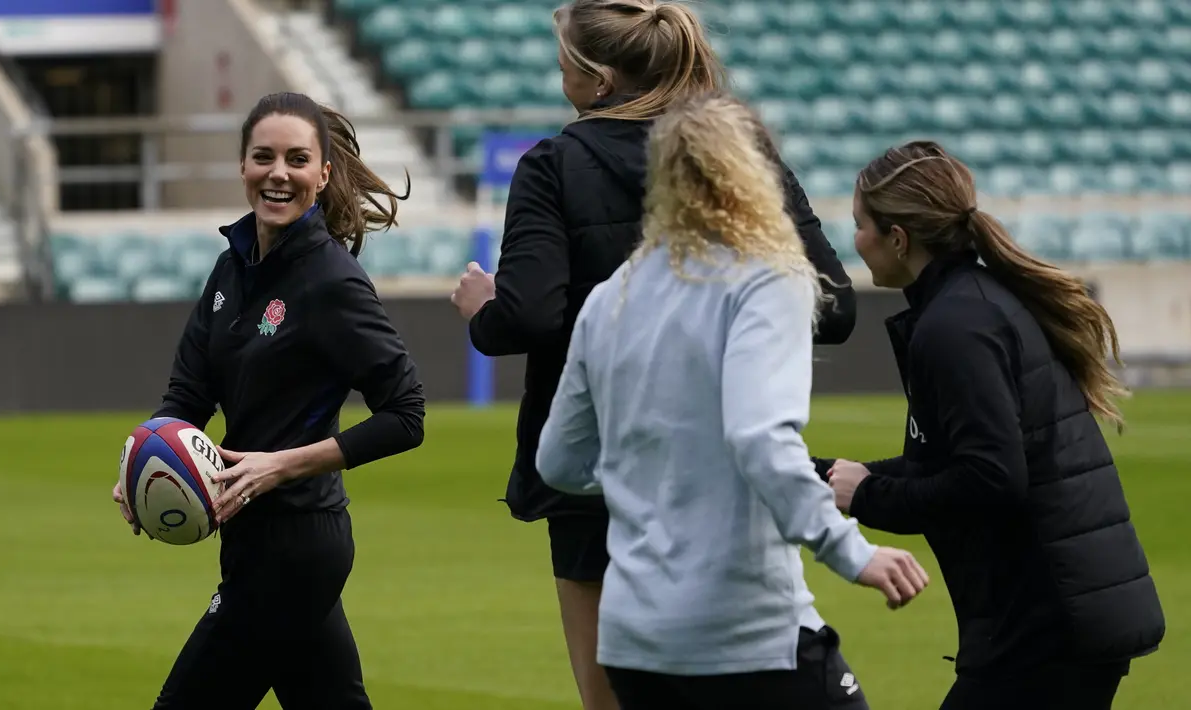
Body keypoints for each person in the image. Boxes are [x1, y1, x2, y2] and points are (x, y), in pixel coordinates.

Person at [449, 2, 857, 707]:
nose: (557, 73)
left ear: (598, 80)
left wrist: (480, 308)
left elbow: (528, 316)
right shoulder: (740, 154)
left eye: (565, 62)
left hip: (597, 470)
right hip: (721, 465)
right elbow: (835, 306)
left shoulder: (554, 163)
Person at [533, 91, 928, 710]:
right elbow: (761, 438)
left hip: (635, 640)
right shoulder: (769, 280)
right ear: (756, 173)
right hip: (744, 635)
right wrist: (853, 552)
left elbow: (557, 461)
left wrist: (660, 479)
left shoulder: (611, 295)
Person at [817, 140, 1165, 710]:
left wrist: (871, 496)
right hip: (1055, 618)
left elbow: (991, 479)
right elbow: (950, 461)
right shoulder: (970, 303)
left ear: (898, 238)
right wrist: (831, 477)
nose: (854, 241)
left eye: (861, 225)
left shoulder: (955, 326)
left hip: (1049, 626)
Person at [111, 91, 425, 710]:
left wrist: (283, 463)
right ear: (243, 165)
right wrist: (142, 460)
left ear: (322, 173)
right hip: (253, 538)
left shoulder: (332, 282)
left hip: (297, 542)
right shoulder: (230, 269)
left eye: (296, 159)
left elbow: (406, 413)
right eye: (264, 157)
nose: (278, 173)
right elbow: (188, 394)